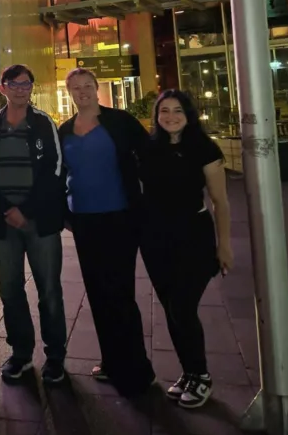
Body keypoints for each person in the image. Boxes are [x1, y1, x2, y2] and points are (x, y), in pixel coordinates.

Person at [59, 67, 155, 397]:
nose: (82, 91)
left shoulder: (120, 121)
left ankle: (138, 367)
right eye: (76, 87)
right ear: (69, 91)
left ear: (97, 89)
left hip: (120, 217)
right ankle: (112, 360)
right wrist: (63, 214)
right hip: (84, 220)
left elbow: (149, 155)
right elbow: (59, 175)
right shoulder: (65, 130)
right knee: (98, 292)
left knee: (121, 292)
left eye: (87, 86)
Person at [139, 90, 234, 409]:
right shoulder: (151, 148)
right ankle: (189, 372)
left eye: (177, 110)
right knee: (171, 307)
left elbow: (220, 202)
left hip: (193, 236)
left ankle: (202, 375)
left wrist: (225, 245)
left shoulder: (204, 149)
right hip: (155, 238)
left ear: (189, 114)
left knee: (182, 305)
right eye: (164, 111)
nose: (170, 116)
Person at [0, 64, 68, 385]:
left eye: (27, 85)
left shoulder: (43, 123)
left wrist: (27, 210)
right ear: (2, 87)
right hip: (3, 223)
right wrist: (9, 210)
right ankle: (20, 353)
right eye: (15, 85)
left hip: (40, 222)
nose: (22, 90)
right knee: (9, 290)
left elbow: (55, 171)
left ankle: (55, 356)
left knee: (50, 290)